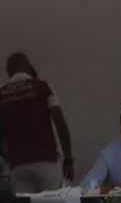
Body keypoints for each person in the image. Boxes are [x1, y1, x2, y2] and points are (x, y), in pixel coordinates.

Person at [0, 52, 74, 193]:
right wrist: (68, 159)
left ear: (8, 72)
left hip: (18, 166)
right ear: (28, 67)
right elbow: (60, 123)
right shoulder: (43, 87)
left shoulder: (1, 94)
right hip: (46, 162)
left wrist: (10, 158)